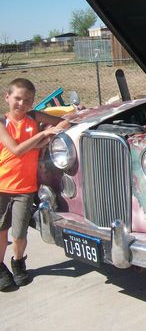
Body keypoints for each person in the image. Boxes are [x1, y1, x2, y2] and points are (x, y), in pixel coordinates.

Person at [0, 78, 70, 291]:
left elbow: (62, 121)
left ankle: (18, 262)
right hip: (2, 186)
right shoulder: (2, 123)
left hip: (25, 189)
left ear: (32, 103)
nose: (21, 104)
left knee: (19, 233)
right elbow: (16, 149)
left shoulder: (33, 117)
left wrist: (59, 127)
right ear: (7, 97)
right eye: (17, 98)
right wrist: (43, 135)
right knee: (1, 230)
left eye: (27, 100)